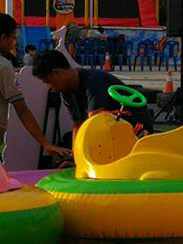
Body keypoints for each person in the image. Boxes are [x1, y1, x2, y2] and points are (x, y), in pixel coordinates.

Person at [33, 49, 155, 135]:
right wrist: (75, 155)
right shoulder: (66, 92)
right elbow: (78, 124)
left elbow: (95, 119)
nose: (49, 87)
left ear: (57, 73)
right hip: (109, 130)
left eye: (47, 81)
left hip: (136, 128)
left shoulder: (94, 81)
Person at [0, 15, 71, 160]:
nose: (13, 43)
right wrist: (45, 143)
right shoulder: (3, 66)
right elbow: (22, 110)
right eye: (12, 38)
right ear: (2, 37)